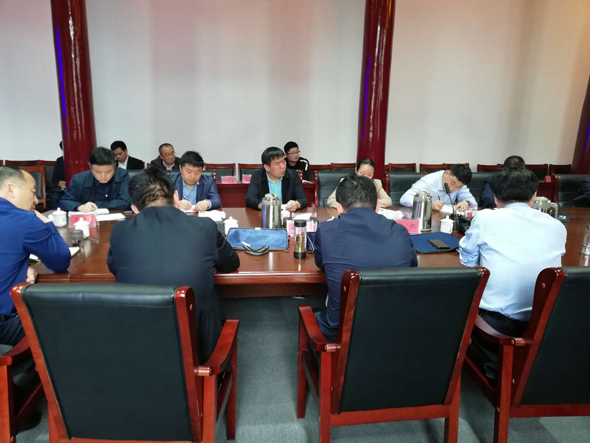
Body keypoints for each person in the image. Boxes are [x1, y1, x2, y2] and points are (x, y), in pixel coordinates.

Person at [107, 168, 239, 362]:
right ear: (176, 196)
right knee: (209, 297)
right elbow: (230, 264)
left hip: (137, 348)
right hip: (199, 350)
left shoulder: (120, 232)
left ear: (134, 208)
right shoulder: (204, 227)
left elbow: (114, 267)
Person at [459, 168, 566, 336]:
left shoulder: (485, 218)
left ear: (495, 197)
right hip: (545, 325)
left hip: (496, 325)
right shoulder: (557, 226)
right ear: (534, 196)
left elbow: (468, 263)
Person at [314, 175, 418, 342]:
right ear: (377, 206)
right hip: (393, 328)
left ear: (339, 207)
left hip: (340, 331)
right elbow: (412, 267)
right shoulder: (400, 232)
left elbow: (321, 264)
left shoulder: (326, 230)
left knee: (315, 313)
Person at [0, 166, 71, 345]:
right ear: (10, 189)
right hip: (4, 328)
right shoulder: (24, 219)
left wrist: (23, 266)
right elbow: (60, 260)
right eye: (32, 192)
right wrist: (46, 222)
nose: (36, 200)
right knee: (69, 317)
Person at [60, 147, 131, 212]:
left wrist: (96, 205)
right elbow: (65, 201)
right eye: (98, 172)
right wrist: (80, 207)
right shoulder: (79, 179)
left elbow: (125, 201)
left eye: (108, 172)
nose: (103, 176)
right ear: (90, 166)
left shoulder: (122, 175)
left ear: (114, 166)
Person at [245, 147, 307, 211]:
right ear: (267, 167)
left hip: (287, 214)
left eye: (283, 161)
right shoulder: (258, 176)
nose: (283, 166)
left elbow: (303, 199)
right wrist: (263, 205)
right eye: (278, 163)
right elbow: (250, 199)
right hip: (267, 215)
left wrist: (296, 204)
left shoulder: (292, 175)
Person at [400, 164, 477, 211]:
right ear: (447, 172)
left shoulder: (459, 184)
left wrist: (466, 203)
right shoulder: (429, 181)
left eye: (458, 187)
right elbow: (405, 199)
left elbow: (472, 202)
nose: (452, 188)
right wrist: (429, 204)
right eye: (452, 183)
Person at [326, 158, 392, 208]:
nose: (365, 177)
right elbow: (331, 200)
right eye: (362, 174)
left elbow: (388, 201)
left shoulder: (376, 183)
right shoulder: (346, 182)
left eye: (369, 175)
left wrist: (368, 205)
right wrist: (350, 206)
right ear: (356, 170)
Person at [49, 141, 66, 209]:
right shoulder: (60, 161)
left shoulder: (80, 160)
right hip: (63, 190)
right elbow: (54, 179)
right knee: (54, 197)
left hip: (77, 189)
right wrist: (59, 183)